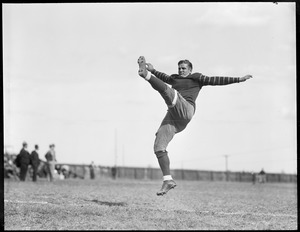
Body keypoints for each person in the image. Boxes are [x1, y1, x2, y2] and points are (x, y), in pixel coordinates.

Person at [137, 56, 253, 196]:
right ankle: (168, 180)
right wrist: (154, 69)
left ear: (190, 70)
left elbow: (216, 80)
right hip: (174, 116)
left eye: (184, 68)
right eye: (179, 68)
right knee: (159, 146)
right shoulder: (174, 78)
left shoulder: (196, 78)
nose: (181, 70)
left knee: (169, 93)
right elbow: (165, 77)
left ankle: (146, 76)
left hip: (186, 109)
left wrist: (238, 79)